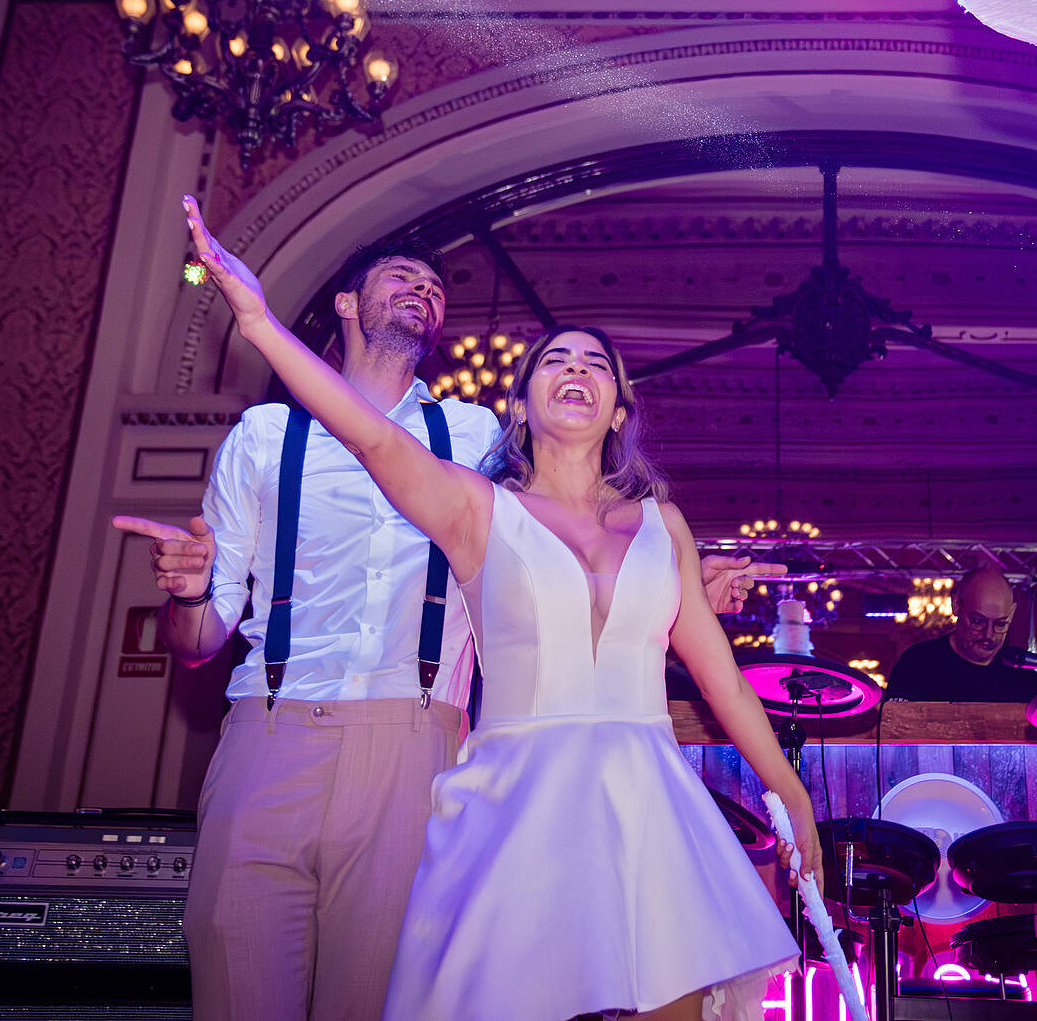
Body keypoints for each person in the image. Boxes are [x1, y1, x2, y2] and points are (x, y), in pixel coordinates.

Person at [179, 195, 818, 1021]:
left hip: (648, 800)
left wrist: (792, 795)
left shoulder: (665, 526)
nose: (576, 371)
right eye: (554, 361)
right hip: (513, 802)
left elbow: (725, 683)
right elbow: (374, 439)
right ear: (517, 405)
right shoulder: (479, 507)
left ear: (619, 408)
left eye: (595, 363)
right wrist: (262, 325)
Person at [885, 565, 1037, 703]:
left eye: (1000, 624)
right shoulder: (917, 664)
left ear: (1011, 614)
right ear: (956, 605)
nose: (989, 635)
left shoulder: (1025, 679)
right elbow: (892, 728)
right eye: (978, 621)